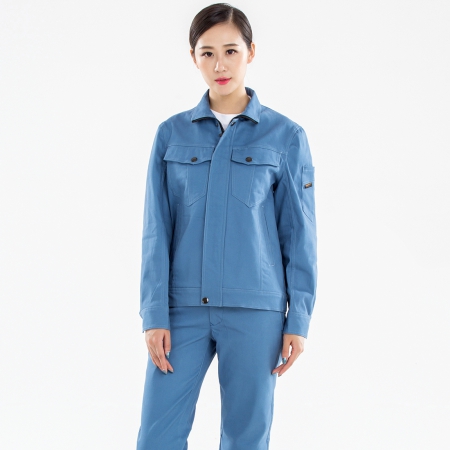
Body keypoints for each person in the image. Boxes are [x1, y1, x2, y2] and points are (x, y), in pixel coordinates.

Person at [136, 3, 317, 449]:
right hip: (181, 311)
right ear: (193, 57)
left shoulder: (286, 137)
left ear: (251, 52)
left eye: (231, 51)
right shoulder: (171, 134)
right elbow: (156, 230)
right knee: (157, 436)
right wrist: (154, 314)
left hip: (256, 311)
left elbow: (299, 234)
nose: (220, 65)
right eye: (208, 53)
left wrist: (299, 319)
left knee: (246, 438)